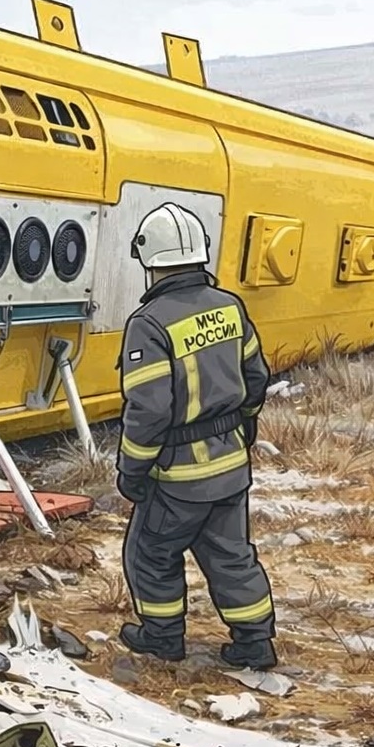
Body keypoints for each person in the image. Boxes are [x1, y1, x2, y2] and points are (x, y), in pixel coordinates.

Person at [115, 202, 275, 670]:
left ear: (151, 260)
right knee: (232, 556)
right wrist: (240, 426)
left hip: (179, 476)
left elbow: (148, 410)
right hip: (230, 469)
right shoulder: (230, 308)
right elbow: (256, 378)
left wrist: (132, 470)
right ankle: (255, 641)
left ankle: (162, 637)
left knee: (150, 553)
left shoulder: (149, 323)